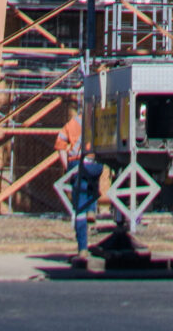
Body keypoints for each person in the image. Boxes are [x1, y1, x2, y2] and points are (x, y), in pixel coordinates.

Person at [54, 110, 103, 258]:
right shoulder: (101, 122)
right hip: (95, 163)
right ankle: (92, 209)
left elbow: (60, 145)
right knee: (92, 184)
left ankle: (82, 248)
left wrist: (67, 167)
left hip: (77, 163)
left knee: (79, 208)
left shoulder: (72, 124)